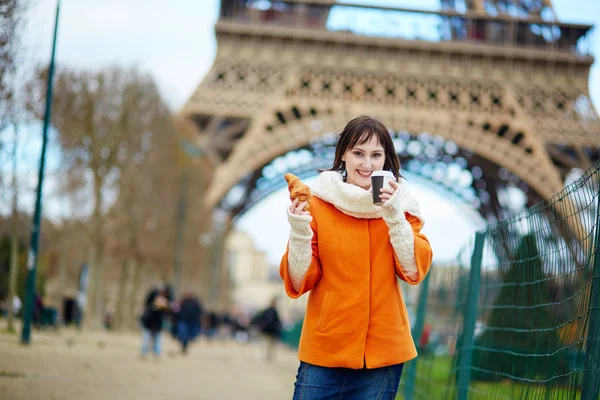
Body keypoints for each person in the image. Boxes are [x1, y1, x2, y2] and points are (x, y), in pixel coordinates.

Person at [280, 115, 433, 399]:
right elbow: (300, 280)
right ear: (343, 156)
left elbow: (413, 271)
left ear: (386, 159)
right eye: (358, 153)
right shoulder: (318, 205)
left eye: (376, 155)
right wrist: (299, 231)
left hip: (382, 354)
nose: (367, 164)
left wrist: (394, 215)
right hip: (325, 349)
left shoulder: (403, 208)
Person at [140, 285, 170, 360]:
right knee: (146, 339)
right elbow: (146, 314)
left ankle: (156, 353)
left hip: (157, 325)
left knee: (157, 340)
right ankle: (144, 353)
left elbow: (167, 314)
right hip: (148, 324)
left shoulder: (165, 305)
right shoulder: (150, 305)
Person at [255, 298, 282, 362]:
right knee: (271, 344)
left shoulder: (266, 311)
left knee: (267, 344)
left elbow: (261, 319)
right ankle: (269, 357)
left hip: (267, 330)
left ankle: (267, 356)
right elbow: (277, 321)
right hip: (272, 331)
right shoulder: (275, 311)